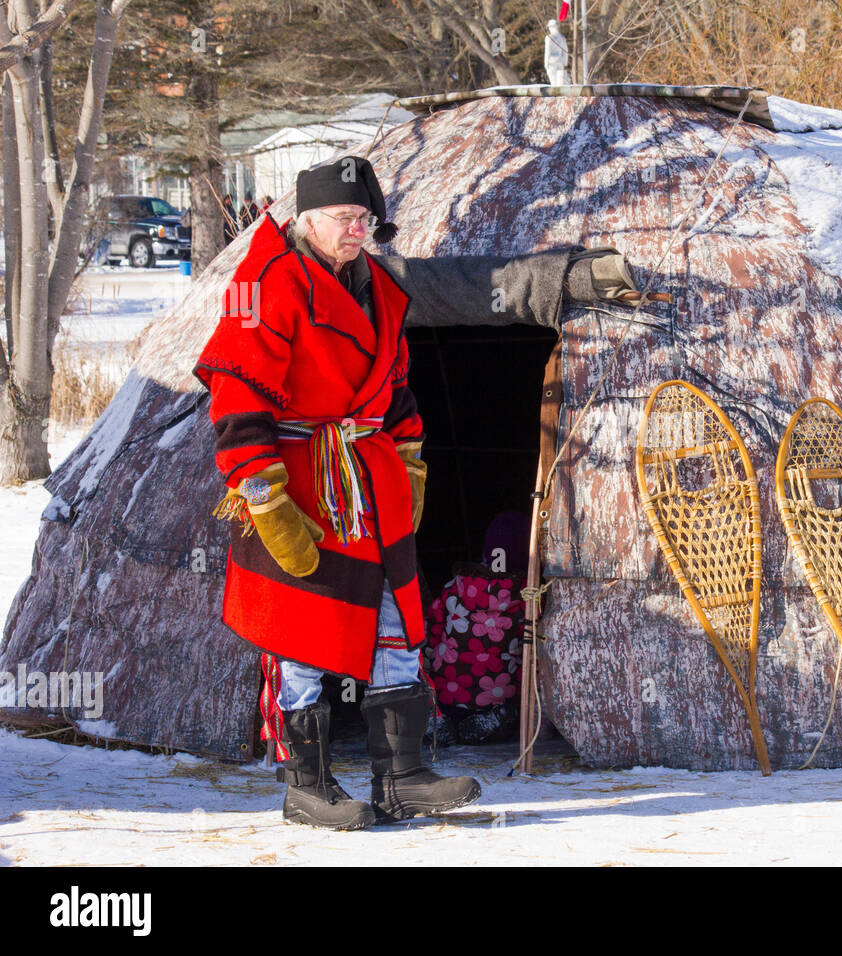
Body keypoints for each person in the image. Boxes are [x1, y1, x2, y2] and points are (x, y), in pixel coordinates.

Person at [194, 156, 642, 830]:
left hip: (370, 483)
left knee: (396, 627)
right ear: (307, 219)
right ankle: (308, 787)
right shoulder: (266, 285)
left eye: (366, 219)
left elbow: (398, 384)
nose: (359, 230)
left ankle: (401, 778)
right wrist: (264, 498)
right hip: (302, 483)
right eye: (346, 218)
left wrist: (409, 460)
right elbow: (237, 399)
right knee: (304, 633)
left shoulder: (377, 285)